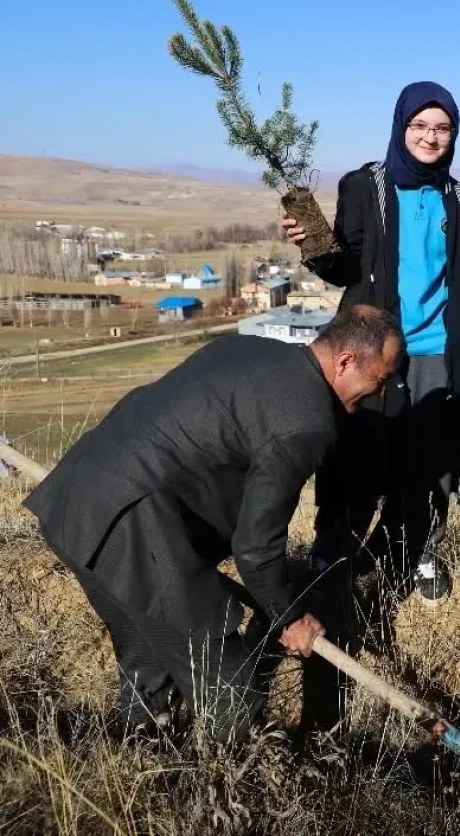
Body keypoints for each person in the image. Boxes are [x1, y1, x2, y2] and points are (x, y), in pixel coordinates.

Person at [23, 306, 404, 743]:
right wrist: (290, 617)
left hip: (77, 502)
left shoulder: (245, 349)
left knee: (152, 660)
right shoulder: (306, 420)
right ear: (346, 362)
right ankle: (229, 794)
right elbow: (257, 549)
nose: (383, 391)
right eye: (381, 378)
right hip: (133, 526)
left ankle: (147, 780)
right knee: (231, 686)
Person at [283, 81, 460, 606]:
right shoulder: (364, 187)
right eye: (419, 126)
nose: (430, 137)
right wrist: (310, 245)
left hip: (440, 352)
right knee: (355, 452)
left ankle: (413, 549)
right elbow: (345, 266)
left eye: (442, 129)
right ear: (401, 128)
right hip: (376, 348)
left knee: (429, 462)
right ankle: (334, 549)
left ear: (454, 135)